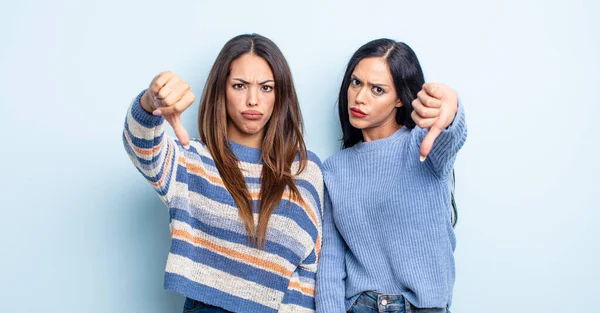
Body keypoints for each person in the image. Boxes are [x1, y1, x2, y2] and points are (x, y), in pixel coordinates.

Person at [122, 33, 324, 313]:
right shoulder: (192, 159)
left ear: (280, 95)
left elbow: (310, 268)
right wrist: (150, 102)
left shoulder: (304, 168)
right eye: (239, 86)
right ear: (221, 90)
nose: (253, 100)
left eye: (266, 88)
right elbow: (140, 145)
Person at [316, 39, 467, 313]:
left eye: (377, 89)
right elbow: (330, 261)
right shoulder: (333, 169)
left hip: (424, 306)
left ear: (399, 98)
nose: (360, 97)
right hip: (360, 306)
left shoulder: (423, 145)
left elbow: (450, 134)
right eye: (355, 83)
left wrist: (451, 106)